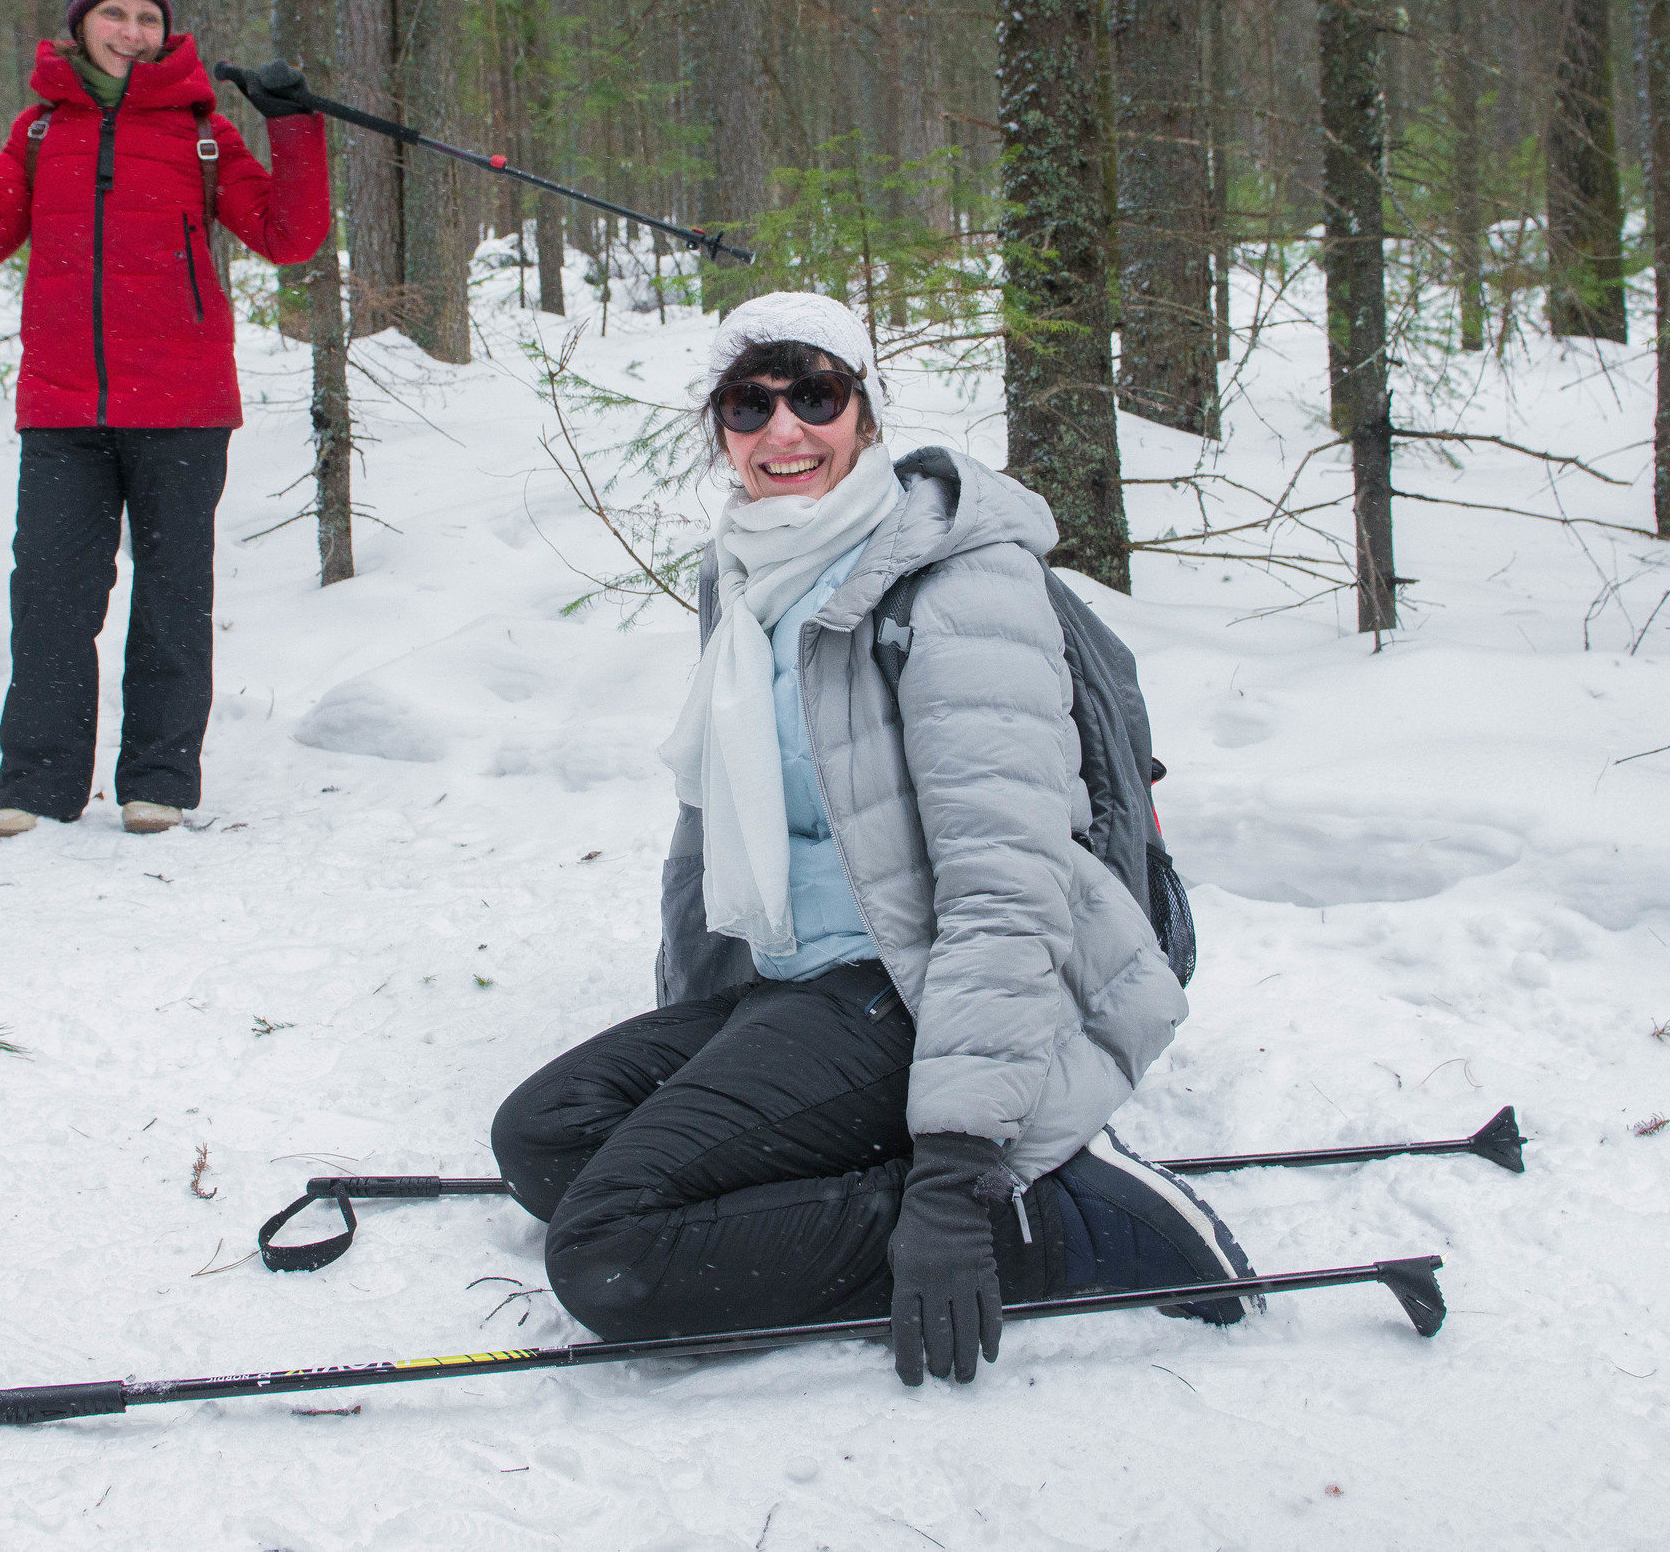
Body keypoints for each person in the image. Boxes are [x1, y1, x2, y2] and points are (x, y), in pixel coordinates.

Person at [490, 292, 1251, 1388]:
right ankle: (867, 1160)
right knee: (548, 1136)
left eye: (815, 393)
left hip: (919, 982)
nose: (782, 430)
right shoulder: (744, 574)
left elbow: (1007, 880)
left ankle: (1054, 1223)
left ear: (866, 411)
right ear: (719, 430)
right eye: (749, 404)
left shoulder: (952, 578)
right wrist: (711, 1048)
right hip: (800, 980)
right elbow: (724, 830)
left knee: (610, 1254)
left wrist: (952, 1170)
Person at [0, 0, 330, 841]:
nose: (132, 33)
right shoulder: (39, 131)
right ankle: (40, 785)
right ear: (81, 24)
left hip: (182, 405)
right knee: (51, 599)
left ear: (167, 30)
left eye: (147, 18)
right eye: (115, 16)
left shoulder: (203, 130)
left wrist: (294, 129)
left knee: (173, 601)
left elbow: (289, 235)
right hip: (62, 409)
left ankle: (159, 781)